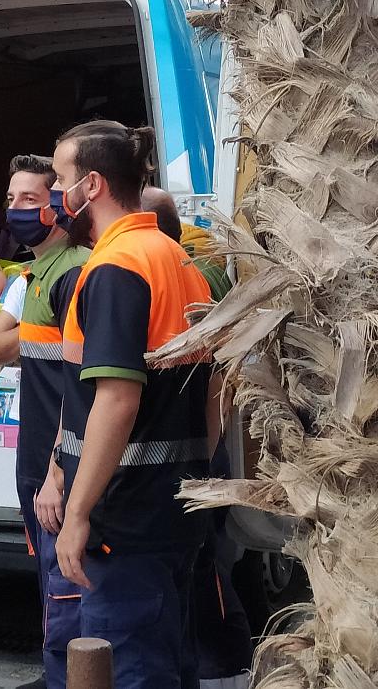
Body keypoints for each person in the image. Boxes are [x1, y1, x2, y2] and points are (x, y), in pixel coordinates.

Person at [49, 121, 213, 688]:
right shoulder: (176, 258)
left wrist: (77, 513)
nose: (56, 194)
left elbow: (116, 399)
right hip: (174, 512)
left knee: (129, 670)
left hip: (123, 520)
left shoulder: (116, 266)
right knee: (168, 665)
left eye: (60, 179)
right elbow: (213, 392)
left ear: (91, 185)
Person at [0, 155, 91, 689]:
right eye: (11, 199)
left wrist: (58, 470)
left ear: (59, 203)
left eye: (30, 198)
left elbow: (82, 388)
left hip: (61, 464)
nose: (16, 210)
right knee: (52, 588)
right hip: (37, 459)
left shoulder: (74, 273)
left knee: (69, 594)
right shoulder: (31, 276)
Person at [141, 187, 252, 689]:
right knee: (197, 569)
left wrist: (207, 457)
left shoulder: (189, 277)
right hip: (195, 447)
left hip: (195, 449)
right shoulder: (186, 271)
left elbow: (215, 379)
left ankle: (226, 669)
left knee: (206, 571)